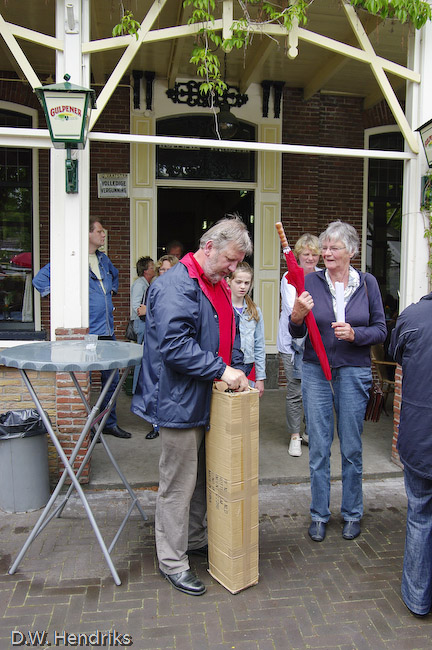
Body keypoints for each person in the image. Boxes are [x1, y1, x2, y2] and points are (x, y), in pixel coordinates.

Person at [131, 216, 252, 596]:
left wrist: (238, 368)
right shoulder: (175, 284)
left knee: (202, 478)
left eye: (238, 263)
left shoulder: (214, 284)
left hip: (208, 397)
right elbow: (175, 346)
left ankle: (195, 538)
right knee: (179, 484)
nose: (233, 269)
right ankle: (172, 561)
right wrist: (222, 370)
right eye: (230, 260)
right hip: (180, 401)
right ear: (209, 246)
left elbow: (227, 332)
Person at [289, 221, 386, 542]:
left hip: (353, 370)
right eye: (325, 247)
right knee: (318, 447)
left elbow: (381, 330)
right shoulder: (310, 281)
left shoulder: (368, 284)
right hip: (316, 370)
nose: (327, 253)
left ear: (352, 251)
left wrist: (356, 334)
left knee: (351, 447)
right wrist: (296, 316)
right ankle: (319, 514)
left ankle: (352, 512)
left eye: (334, 247)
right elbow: (297, 331)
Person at [33, 217, 132, 439]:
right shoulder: (72, 259)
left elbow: (115, 276)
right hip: (88, 333)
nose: (103, 235)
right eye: (99, 231)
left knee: (112, 379)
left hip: (107, 330)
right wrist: (62, 297)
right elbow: (40, 280)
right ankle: (89, 427)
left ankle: (108, 423)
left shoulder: (103, 259)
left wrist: (110, 292)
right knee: (83, 381)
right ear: (87, 234)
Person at [389, 292, 432, 617]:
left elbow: (396, 356)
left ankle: (418, 598)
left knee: (419, 516)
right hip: (420, 434)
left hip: (419, 436)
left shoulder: (413, 317)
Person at [277, 233, 320, 457]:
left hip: (316, 343)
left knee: (314, 390)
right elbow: (295, 309)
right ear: (297, 255)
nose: (310, 258)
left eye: (314, 254)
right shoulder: (289, 277)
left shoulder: (323, 277)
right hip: (292, 343)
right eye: (306, 254)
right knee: (295, 390)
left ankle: (309, 431)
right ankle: (295, 435)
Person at [227, 261, 266, 397]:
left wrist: (260, 378)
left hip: (248, 367)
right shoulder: (223, 308)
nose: (243, 286)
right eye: (238, 282)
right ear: (229, 281)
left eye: (246, 283)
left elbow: (259, 345)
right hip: (227, 367)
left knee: (247, 407)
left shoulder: (254, 311)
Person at [130, 256, 155, 396]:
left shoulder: (146, 283)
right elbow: (136, 306)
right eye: (152, 267)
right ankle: (136, 391)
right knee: (141, 358)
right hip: (141, 324)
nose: (154, 269)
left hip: (144, 323)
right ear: (145, 271)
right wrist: (145, 313)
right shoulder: (140, 284)